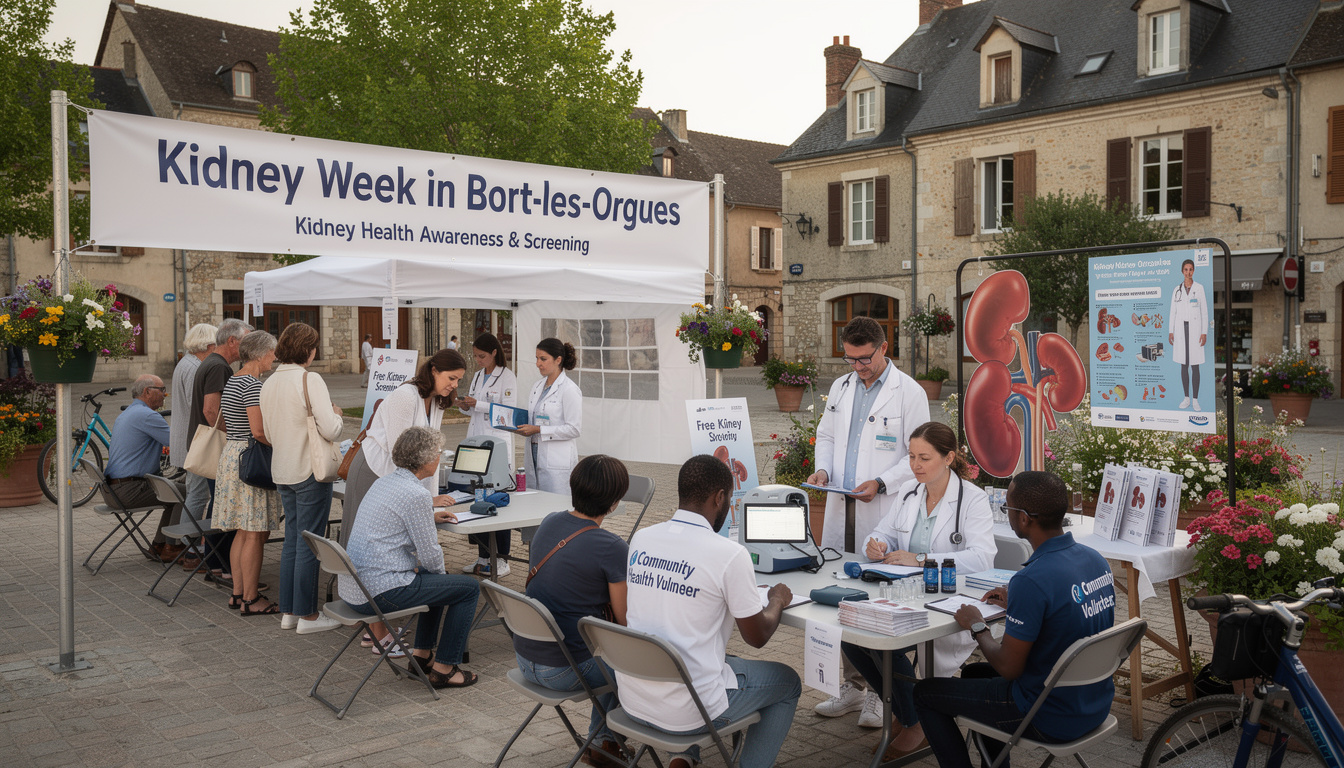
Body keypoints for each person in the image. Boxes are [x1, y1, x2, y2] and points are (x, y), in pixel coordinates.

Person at [913, 471, 1116, 768]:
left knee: (925, 692)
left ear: (1023, 518)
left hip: (1044, 713)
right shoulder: (1094, 559)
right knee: (975, 675)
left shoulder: (1031, 580)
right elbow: (1066, 611)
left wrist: (977, 625)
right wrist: (1022, 604)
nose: (1006, 514)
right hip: (1090, 704)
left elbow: (1008, 668)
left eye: (1007, 508)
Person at [619, 454, 801, 768]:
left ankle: (683, 757)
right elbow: (756, 637)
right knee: (788, 682)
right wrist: (777, 601)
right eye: (728, 498)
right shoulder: (729, 554)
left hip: (635, 697)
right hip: (689, 711)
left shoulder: (641, 539)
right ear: (720, 497)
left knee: (712, 657)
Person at [843, 421, 995, 760]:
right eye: (911, 456)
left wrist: (922, 559)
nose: (915, 466)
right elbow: (881, 532)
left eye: (924, 458)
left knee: (887, 643)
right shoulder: (910, 493)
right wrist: (875, 544)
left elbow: (983, 557)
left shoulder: (972, 499)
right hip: (905, 594)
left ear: (949, 457)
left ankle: (913, 720)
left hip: (951, 598)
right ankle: (911, 716)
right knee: (853, 637)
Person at [806, 315, 929, 726]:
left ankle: (884, 694)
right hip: (843, 504)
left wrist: (881, 481)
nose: (858, 368)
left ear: (884, 348)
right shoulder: (841, 387)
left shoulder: (907, 392)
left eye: (864, 360)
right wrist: (823, 471)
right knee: (841, 595)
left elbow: (919, 456)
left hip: (883, 506)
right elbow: (825, 435)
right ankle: (854, 687)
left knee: (881, 601)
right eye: (850, 360)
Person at [341, 426, 480, 688]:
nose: (439, 456)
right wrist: (441, 576)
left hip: (355, 588)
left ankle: (422, 656)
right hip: (378, 593)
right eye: (438, 452)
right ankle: (445, 668)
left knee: (439, 582)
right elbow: (430, 555)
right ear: (428, 460)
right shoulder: (416, 494)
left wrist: (429, 515)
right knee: (467, 588)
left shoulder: (384, 482)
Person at [514, 454, 630, 768]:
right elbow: (625, 621)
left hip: (526, 659)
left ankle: (602, 743)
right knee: (637, 666)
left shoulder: (551, 520)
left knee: (607, 659)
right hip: (563, 670)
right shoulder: (612, 546)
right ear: (615, 502)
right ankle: (605, 743)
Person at [261, 322, 344, 634]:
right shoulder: (310, 379)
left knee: (293, 541)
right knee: (309, 543)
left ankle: (290, 612)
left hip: (282, 468)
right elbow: (332, 429)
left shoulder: (270, 382)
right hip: (309, 469)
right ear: (308, 350)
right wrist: (336, 413)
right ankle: (307, 616)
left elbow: (267, 433)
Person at [343, 348, 464, 545]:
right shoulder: (405, 396)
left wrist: (432, 505)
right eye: (451, 378)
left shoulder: (437, 401)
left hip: (398, 473)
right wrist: (426, 502)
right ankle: (350, 576)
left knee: (387, 540)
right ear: (434, 370)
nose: (455, 385)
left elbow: (432, 455)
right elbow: (400, 454)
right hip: (373, 469)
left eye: (458, 380)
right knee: (361, 538)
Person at [212, 331, 283, 615]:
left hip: (233, 455)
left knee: (242, 531)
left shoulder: (233, 380)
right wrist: (283, 444)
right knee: (254, 532)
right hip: (250, 458)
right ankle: (252, 600)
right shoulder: (253, 385)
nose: (274, 358)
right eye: (272, 352)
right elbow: (259, 431)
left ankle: (238, 593)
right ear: (260, 353)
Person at [185, 318, 252, 577]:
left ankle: (215, 562)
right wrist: (236, 435)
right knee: (223, 506)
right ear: (232, 341)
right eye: (245, 342)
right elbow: (212, 410)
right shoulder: (218, 367)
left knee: (218, 504)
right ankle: (223, 564)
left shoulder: (212, 362)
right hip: (218, 448)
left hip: (209, 445)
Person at [457, 333, 519, 575]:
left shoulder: (507, 376)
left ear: (494, 352)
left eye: (481, 356)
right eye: (475, 356)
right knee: (479, 500)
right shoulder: (476, 376)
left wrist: (477, 404)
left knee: (498, 501)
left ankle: (501, 560)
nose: (478, 360)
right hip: (476, 442)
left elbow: (508, 411)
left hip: (496, 443)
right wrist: (465, 406)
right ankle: (483, 557)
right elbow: (474, 412)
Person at [162, 322, 216, 562]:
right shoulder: (196, 367)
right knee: (198, 495)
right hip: (194, 441)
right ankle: (191, 547)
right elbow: (202, 407)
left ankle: (188, 543)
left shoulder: (186, 363)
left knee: (196, 493)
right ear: (207, 344)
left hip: (187, 439)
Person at [101, 374, 171, 528]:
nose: (165, 394)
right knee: (184, 494)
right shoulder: (148, 415)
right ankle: (170, 547)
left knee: (175, 489)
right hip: (129, 492)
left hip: (111, 492)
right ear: (147, 391)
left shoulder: (126, 413)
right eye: (161, 389)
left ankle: (163, 546)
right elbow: (178, 444)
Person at [516, 337, 581, 496]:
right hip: (534, 453)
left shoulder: (569, 390)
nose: (538, 363)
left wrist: (538, 429)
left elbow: (574, 429)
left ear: (558, 360)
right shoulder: (537, 386)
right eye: (537, 358)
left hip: (556, 460)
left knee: (555, 506)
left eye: (543, 359)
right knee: (535, 503)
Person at [1169, 258, 1209, 412]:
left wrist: (1204, 332)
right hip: (1180, 329)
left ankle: (1195, 400)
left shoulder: (1199, 288)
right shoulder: (1176, 290)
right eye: (1186, 269)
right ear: (1182, 271)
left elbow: (1204, 312)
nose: (1188, 272)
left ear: (1193, 271)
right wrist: (1170, 331)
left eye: (1190, 269)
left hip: (1195, 330)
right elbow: (1173, 312)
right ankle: (1186, 398)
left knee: (1195, 365)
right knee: (1183, 365)